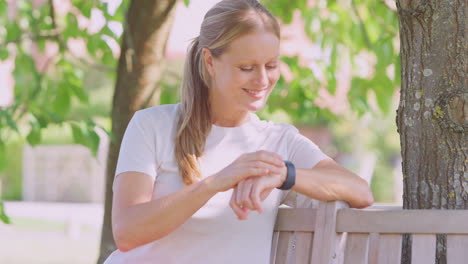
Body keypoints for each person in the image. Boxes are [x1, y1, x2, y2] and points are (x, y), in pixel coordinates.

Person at [104, 0, 373, 263]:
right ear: (210, 61)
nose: (263, 80)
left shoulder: (279, 141)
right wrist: (216, 183)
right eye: (247, 68)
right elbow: (127, 232)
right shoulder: (152, 125)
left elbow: (360, 191)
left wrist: (285, 174)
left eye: (271, 65)